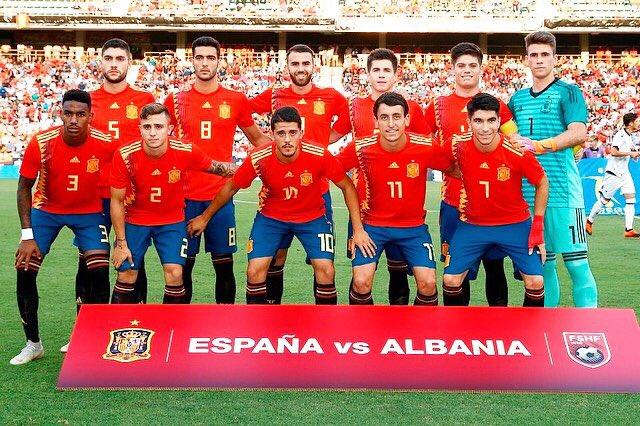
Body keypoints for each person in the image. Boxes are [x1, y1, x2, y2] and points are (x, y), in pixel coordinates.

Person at [188, 106, 373, 304]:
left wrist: (358, 229)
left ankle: (324, 327)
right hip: (271, 219)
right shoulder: (259, 157)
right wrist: (204, 217)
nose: (287, 139)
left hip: (312, 218)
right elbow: (231, 187)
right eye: (281, 133)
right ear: (271, 134)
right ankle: (259, 324)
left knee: (326, 270)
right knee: (254, 270)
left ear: (301, 133)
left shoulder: (319, 154)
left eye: (292, 132)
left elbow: (347, 186)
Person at [11, 90, 114, 365]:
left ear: (91, 116)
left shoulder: (106, 144)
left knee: (99, 268)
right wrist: (27, 235)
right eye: (68, 113)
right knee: (24, 267)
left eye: (81, 114)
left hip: (90, 212)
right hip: (47, 211)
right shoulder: (42, 142)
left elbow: (122, 180)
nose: (73, 120)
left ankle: (89, 338)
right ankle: (33, 344)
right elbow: (23, 187)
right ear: (61, 113)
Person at [164, 36, 269, 304]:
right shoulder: (175, 100)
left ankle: (226, 326)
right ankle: (180, 327)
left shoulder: (235, 99)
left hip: (221, 197)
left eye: (210, 57)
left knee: (223, 265)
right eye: (199, 57)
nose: (204, 63)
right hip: (183, 197)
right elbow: (160, 143)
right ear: (192, 60)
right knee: (181, 267)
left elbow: (258, 141)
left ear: (219, 61)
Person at [250, 44, 352, 304]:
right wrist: (263, 142)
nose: (300, 69)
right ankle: (272, 312)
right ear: (287, 67)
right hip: (278, 194)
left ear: (314, 65)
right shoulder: (275, 95)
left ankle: (322, 318)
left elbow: (349, 117)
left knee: (323, 263)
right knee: (277, 256)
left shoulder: (330, 96)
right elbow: (243, 112)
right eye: (295, 64)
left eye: (305, 63)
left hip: (318, 192)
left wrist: (325, 141)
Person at [110, 103, 235, 304]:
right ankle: (118, 329)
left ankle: (170, 330)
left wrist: (253, 166)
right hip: (135, 220)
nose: (152, 133)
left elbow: (217, 168)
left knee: (175, 273)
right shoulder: (125, 155)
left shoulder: (185, 150)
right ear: (140, 128)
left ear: (169, 128)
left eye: (158, 127)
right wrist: (120, 244)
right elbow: (116, 201)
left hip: (172, 221)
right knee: (126, 274)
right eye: (147, 127)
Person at [337, 92, 455, 306]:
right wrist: (358, 229)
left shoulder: (425, 146)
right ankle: (361, 330)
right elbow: (332, 172)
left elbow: (455, 170)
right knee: (361, 281)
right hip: (373, 226)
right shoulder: (360, 147)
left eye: (396, 116)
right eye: (384, 117)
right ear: (375, 121)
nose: (391, 124)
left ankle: (418, 332)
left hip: (413, 228)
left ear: (407, 119)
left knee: (428, 284)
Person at [423, 42, 518, 307]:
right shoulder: (438, 105)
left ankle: (499, 332)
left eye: (472, 66)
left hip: (493, 204)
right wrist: (448, 166)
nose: (467, 71)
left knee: (495, 267)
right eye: (461, 66)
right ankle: (457, 333)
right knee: (455, 273)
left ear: (480, 69)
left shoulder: (496, 104)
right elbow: (421, 144)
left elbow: (514, 144)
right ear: (452, 69)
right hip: (454, 201)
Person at [509, 31, 597, 308]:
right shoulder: (517, 99)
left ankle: (590, 330)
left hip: (563, 195)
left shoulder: (568, 92)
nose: (539, 60)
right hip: (528, 197)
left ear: (554, 58)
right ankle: (548, 333)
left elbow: (578, 133)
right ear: (526, 60)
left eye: (545, 54)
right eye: (534, 55)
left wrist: (539, 145)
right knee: (542, 269)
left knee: (577, 266)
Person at [73, 38, 155, 323]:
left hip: (131, 195)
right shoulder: (87, 101)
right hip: (94, 195)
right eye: (108, 58)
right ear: (100, 62)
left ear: (129, 63)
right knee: (90, 260)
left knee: (134, 258)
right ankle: (86, 328)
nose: (114, 64)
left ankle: (133, 322)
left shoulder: (145, 100)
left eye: (120, 59)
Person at [441, 93, 548, 307]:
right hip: (472, 225)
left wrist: (537, 227)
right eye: (478, 121)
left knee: (535, 282)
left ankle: (531, 334)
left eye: (491, 120)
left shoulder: (516, 151)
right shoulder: (457, 145)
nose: (485, 128)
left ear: (499, 121)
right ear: (469, 121)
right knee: (450, 280)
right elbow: (442, 163)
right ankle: (455, 331)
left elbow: (542, 182)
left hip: (515, 225)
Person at [347, 47, 429, 305]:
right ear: (367, 74)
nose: (381, 75)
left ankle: (399, 327)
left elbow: (426, 145)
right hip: (363, 206)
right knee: (360, 273)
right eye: (376, 70)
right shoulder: (354, 106)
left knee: (399, 270)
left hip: (402, 206)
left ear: (396, 75)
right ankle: (360, 331)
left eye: (387, 70)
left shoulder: (411, 108)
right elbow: (332, 137)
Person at [587, 112, 640, 237]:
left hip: (624, 172)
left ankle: (628, 229)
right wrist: (630, 153)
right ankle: (589, 221)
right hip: (614, 172)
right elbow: (614, 152)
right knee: (604, 200)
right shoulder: (620, 135)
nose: (638, 123)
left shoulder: (629, 136)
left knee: (631, 197)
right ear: (631, 123)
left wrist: (634, 154)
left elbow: (631, 152)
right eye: (637, 121)